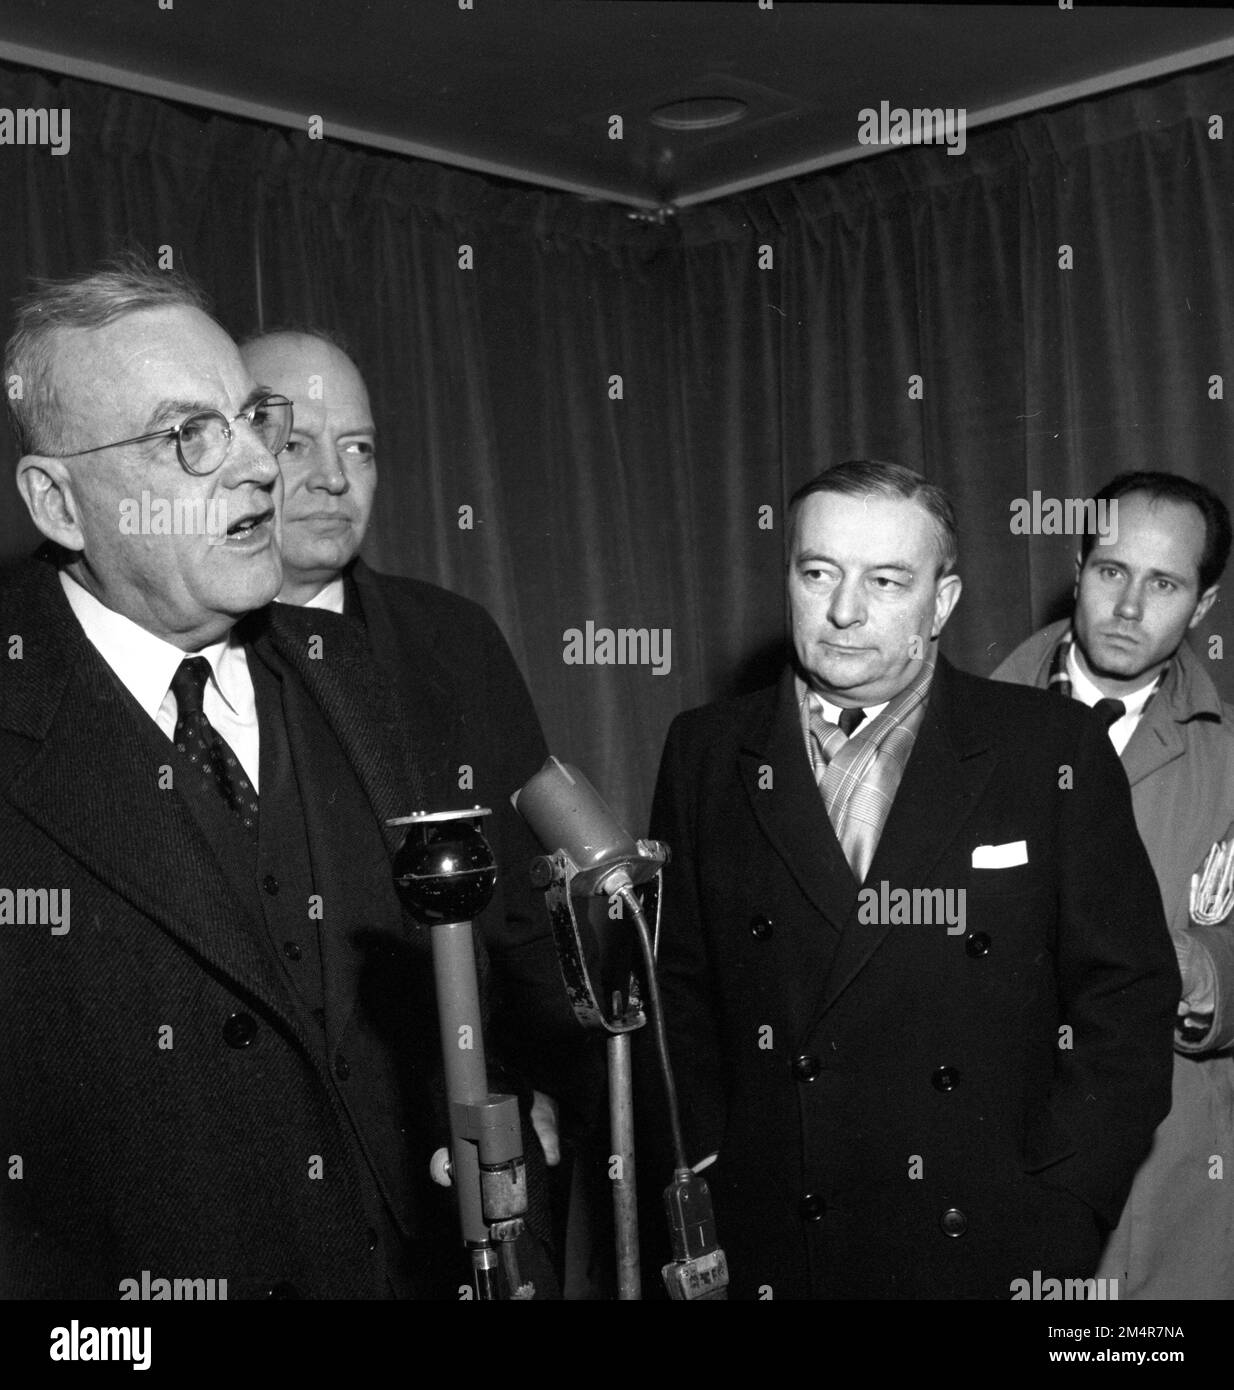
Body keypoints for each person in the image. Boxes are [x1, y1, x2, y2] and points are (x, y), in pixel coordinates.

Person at [0, 258, 544, 1299]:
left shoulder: (355, 675)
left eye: (251, 417)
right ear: (59, 503)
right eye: (187, 436)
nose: (260, 466)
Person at [641, 459, 1179, 1299]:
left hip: (980, 1245)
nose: (844, 612)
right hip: (778, 1243)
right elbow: (671, 988)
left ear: (944, 601)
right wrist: (706, 1164)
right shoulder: (708, 750)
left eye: (887, 581)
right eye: (818, 573)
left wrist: (1067, 1208)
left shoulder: (1050, 750)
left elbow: (1129, 998)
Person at [237, 329, 598, 1274]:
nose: (331, 478)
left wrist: (529, 1090)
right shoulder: (194, 661)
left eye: (357, 448)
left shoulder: (451, 637)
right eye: (293, 443)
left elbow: (526, 912)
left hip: (465, 1169)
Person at [993, 471, 1234, 1299]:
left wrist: (1210, 977)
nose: (1129, 608)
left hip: (1175, 1189)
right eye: (1110, 572)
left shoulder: (1231, 761)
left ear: (1202, 607)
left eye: (1164, 583)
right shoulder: (959, 729)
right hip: (1004, 1157)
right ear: (1077, 566)